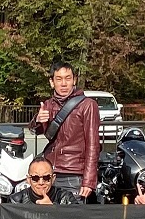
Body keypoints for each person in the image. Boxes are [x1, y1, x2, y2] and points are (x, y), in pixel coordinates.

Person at [29, 61, 100, 200]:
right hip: (49, 172)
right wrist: (38, 120)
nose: (63, 84)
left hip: (74, 173)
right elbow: (35, 131)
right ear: (52, 82)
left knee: (71, 213)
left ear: (74, 80)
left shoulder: (87, 105)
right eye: (59, 79)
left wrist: (89, 180)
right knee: (45, 211)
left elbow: (93, 145)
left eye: (68, 78)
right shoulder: (48, 104)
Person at [10, 155, 79, 205]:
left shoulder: (66, 198)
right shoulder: (16, 200)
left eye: (46, 177)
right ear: (28, 180)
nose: (41, 182)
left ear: (53, 178)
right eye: (35, 178)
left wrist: (52, 210)